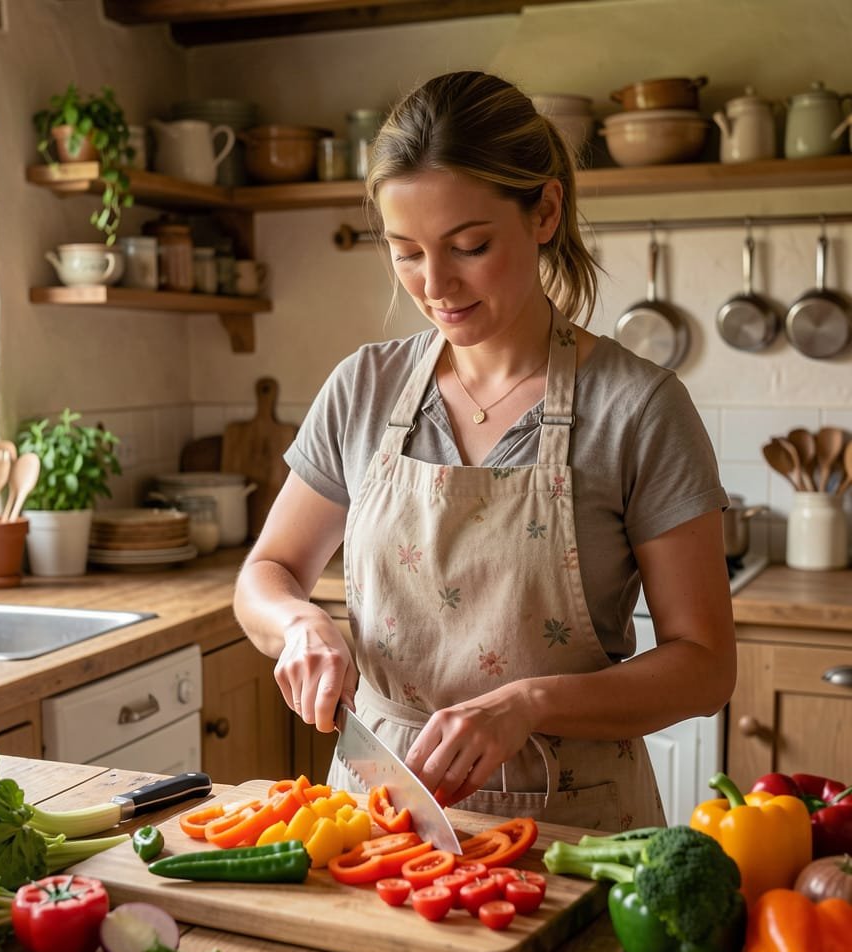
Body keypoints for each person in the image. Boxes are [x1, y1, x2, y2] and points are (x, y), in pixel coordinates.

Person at [233, 70, 735, 831]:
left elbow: (705, 666)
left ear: (545, 211)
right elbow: (265, 575)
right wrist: (298, 627)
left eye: (468, 246)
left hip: (576, 825)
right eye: (405, 252)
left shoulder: (637, 407)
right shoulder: (362, 388)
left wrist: (529, 702)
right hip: (377, 812)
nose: (436, 285)